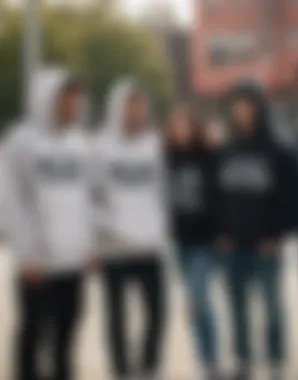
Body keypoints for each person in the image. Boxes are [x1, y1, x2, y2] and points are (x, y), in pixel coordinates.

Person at [3, 69, 94, 380]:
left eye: (76, 100)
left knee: (66, 340)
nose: (73, 106)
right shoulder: (21, 141)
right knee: (32, 337)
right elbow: (12, 201)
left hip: (72, 262)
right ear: (48, 99)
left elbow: (86, 200)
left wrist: (89, 246)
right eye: (66, 99)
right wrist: (28, 254)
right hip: (38, 263)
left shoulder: (79, 144)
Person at [214, 80, 297, 380]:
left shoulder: (277, 150)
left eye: (248, 104)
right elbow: (218, 197)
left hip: (266, 247)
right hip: (234, 246)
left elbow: (289, 199)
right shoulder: (227, 148)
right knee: (237, 308)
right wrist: (221, 233)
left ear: (260, 107)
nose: (242, 110)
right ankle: (243, 361)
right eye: (238, 104)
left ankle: (276, 361)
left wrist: (276, 236)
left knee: (273, 307)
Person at [93, 79, 169, 380]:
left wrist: (160, 228)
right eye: (131, 104)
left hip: (149, 244)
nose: (138, 111)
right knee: (117, 315)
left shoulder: (153, 144)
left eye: (142, 105)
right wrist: (105, 231)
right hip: (115, 246)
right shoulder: (99, 147)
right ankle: (122, 370)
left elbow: (161, 190)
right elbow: (91, 196)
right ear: (118, 107)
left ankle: (149, 367)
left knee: (158, 311)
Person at [166, 105, 220, 380]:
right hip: (179, 243)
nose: (180, 130)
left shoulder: (207, 157)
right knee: (198, 306)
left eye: (185, 124)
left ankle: (211, 362)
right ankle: (207, 363)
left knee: (196, 299)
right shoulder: (166, 158)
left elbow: (219, 194)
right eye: (175, 125)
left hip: (204, 241)